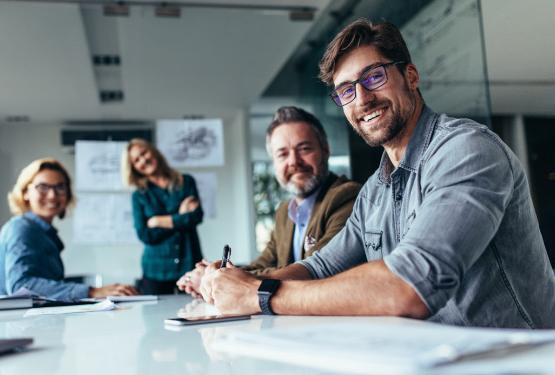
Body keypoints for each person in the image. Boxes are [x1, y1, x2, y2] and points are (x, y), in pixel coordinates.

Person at [200, 18, 555, 328]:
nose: (363, 99)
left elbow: (410, 286)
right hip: (430, 366)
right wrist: (238, 283)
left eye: (374, 76)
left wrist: (261, 295)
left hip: (517, 372)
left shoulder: (466, 150)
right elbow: (321, 266)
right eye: (346, 91)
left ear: (410, 76)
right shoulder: (375, 190)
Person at [176, 107, 361, 297]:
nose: (294, 161)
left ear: (326, 150)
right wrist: (218, 273)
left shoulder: (346, 197)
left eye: (304, 149)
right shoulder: (284, 211)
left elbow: (317, 269)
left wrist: (219, 279)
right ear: (274, 162)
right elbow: (265, 263)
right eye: (282, 154)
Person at [0, 158, 138, 300]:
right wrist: (91, 292)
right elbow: (21, 286)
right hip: (18, 322)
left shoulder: (43, 232)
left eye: (60, 187)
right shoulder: (22, 229)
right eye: (43, 187)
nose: (52, 195)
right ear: (25, 192)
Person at [122, 138, 203, 295]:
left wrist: (158, 221)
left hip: (189, 263)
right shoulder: (139, 195)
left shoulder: (186, 182)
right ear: (134, 168)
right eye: (136, 160)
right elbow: (145, 234)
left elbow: (195, 217)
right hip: (156, 270)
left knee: (196, 313)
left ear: (153, 151)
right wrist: (179, 216)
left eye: (144, 153)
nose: (143, 160)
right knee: (155, 318)